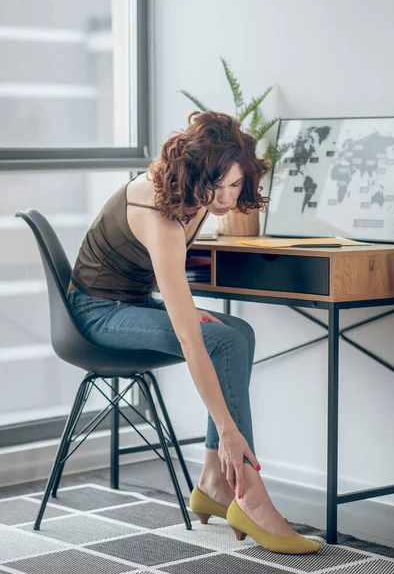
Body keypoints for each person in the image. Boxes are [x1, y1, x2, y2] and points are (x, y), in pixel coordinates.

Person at [68, 111, 322, 554]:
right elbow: (189, 340)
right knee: (220, 338)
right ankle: (250, 495)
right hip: (95, 313)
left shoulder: (191, 193)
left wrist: (182, 308)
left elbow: (167, 289)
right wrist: (227, 430)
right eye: (216, 186)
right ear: (193, 174)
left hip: (132, 302)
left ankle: (213, 483)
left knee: (237, 329)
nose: (224, 200)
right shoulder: (158, 210)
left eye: (236, 184)